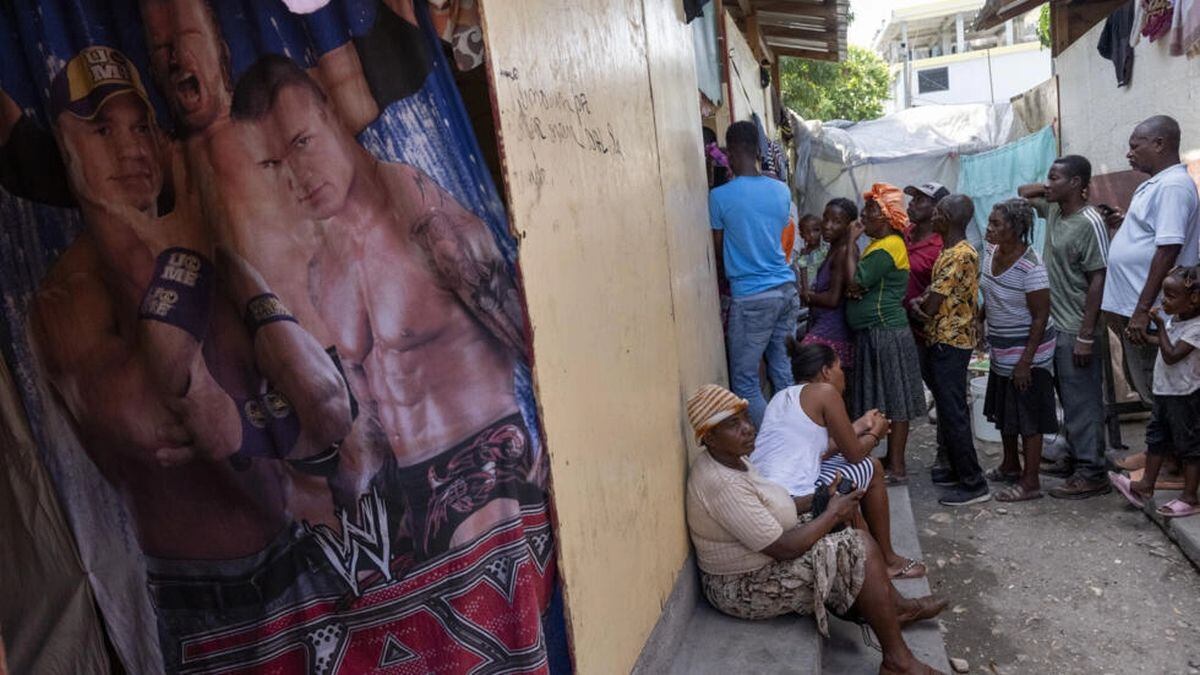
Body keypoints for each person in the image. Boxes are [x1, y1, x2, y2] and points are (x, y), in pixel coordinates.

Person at [30, 46, 352, 668]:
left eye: (142, 126)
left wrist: (192, 265)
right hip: (210, 598)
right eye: (101, 129)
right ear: (66, 149)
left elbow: (330, 405)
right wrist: (185, 262)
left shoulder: (211, 247)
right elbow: (153, 420)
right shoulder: (67, 295)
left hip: (305, 560)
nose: (132, 149)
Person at [231, 55, 538, 559]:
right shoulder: (322, 270)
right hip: (410, 494)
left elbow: (526, 337)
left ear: (330, 115)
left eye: (301, 143)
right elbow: (370, 414)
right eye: (273, 165)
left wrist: (550, 461)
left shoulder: (422, 213)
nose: (296, 177)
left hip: (487, 466)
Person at [685, 384, 946, 675]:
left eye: (746, 418)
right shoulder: (722, 482)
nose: (748, 428)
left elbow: (773, 507)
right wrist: (832, 511)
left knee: (844, 524)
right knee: (854, 545)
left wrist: (823, 499)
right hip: (743, 586)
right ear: (709, 437)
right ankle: (898, 658)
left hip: (764, 557)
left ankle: (895, 611)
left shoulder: (735, 459)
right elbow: (782, 548)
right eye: (734, 425)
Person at [753, 342, 927, 579]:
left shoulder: (781, 396)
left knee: (856, 467)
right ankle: (887, 559)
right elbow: (854, 453)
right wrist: (876, 433)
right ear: (825, 372)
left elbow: (819, 451)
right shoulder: (825, 392)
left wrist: (861, 426)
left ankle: (878, 556)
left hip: (765, 492)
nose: (843, 375)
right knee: (871, 466)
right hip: (794, 496)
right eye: (839, 368)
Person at [1102, 115, 1199, 479]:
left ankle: (1172, 460)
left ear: (1159, 143)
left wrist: (1144, 309)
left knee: (1159, 384)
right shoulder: (1158, 184)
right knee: (1145, 380)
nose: (1128, 152)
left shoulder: (1173, 186)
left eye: (1135, 144)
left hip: (1150, 307)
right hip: (1131, 304)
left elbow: (1169, 247)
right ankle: (1162, 450)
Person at [1018, 156, 1112, 499]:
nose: (1047, 183)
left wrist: (1086, 336)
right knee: (1067, 399)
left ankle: (1092, 471)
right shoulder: (1055, 209)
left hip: (1077, 326)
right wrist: (1051, 188)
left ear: (1075, 183)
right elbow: (1023, 192)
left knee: (1083, 401)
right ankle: (1074, 458)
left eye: (1055, 177)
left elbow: (1098, 279)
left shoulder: (1090, 221)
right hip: (1054, 324)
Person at [709, 120, 800, 426]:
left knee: (746, 382)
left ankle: (774, 442)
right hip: (787, 289)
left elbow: (718, 248)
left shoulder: (720, 197)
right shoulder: (781, 190)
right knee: (782, 371)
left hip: (752, 298)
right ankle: (798, 435)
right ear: (760, 150)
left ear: (731, 151)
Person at [912, 195, 990, 506]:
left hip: (950, 343)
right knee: (948, 411)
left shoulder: (960, 254)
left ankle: (973, 483)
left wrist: (923, 307)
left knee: (954, 413)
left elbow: (930, 304)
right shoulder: (949, 251)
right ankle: (959, 471)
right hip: (942, 339)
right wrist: (924, 304)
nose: (934, 216)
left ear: (952, 219)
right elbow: (932, 295)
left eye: (940, 213)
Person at [847, 183, 927, 483]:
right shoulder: (879, 246)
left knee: (895, 399)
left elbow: (855, 284)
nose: (864, 215)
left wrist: (850, 246)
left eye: (871, 210)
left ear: (887, 217)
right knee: (887, 397)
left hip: (886, 332)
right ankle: (891, 461)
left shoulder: (889, 246)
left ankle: (897, 466)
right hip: (877, 331)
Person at [980, 199, 1058, 502]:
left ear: (1015, 228)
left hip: (1029, 351)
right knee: (1005, 411)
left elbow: (1040, 317)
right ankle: (1011, 464)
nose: (989, 228)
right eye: (990, 222)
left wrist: (1026, 362)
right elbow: (992, 290)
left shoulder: (1031, 267)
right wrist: (980, 320)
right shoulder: (990, 252)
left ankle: (1031, 481)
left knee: (1029, 417)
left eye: (996, 224)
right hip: (1002, 347)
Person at [1112, 266, 1200, 517]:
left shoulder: (1196, 327)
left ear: (1193, 299)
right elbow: (1166, 345)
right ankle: (1145, 486)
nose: (1164, 301)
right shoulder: (1179, 320)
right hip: (1166, 392)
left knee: (1190, 448)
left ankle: (1191, 496)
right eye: (1164, 295)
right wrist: (1143, 337)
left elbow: (1172, 355)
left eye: (1171, 297)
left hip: (1186, 396)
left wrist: (1159, 326)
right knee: (1157, 439)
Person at [902, 182, 948, 474]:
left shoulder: (941, 246)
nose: (912, 203)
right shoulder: (904, 234)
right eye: (913, 198)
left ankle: (946, 454)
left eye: (921, 199)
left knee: (943, 393)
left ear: (937, 210)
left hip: (928, 331)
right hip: (901, 328)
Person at [801, 198, 857, 380]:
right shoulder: (833, 248)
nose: (827, 226)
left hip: (833, 329)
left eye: (836, 222)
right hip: (824, 323)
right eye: (825, 219)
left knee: (810, 371)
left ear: (849, 226)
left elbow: (833, 299)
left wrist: (809, 296)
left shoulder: (843, 251)